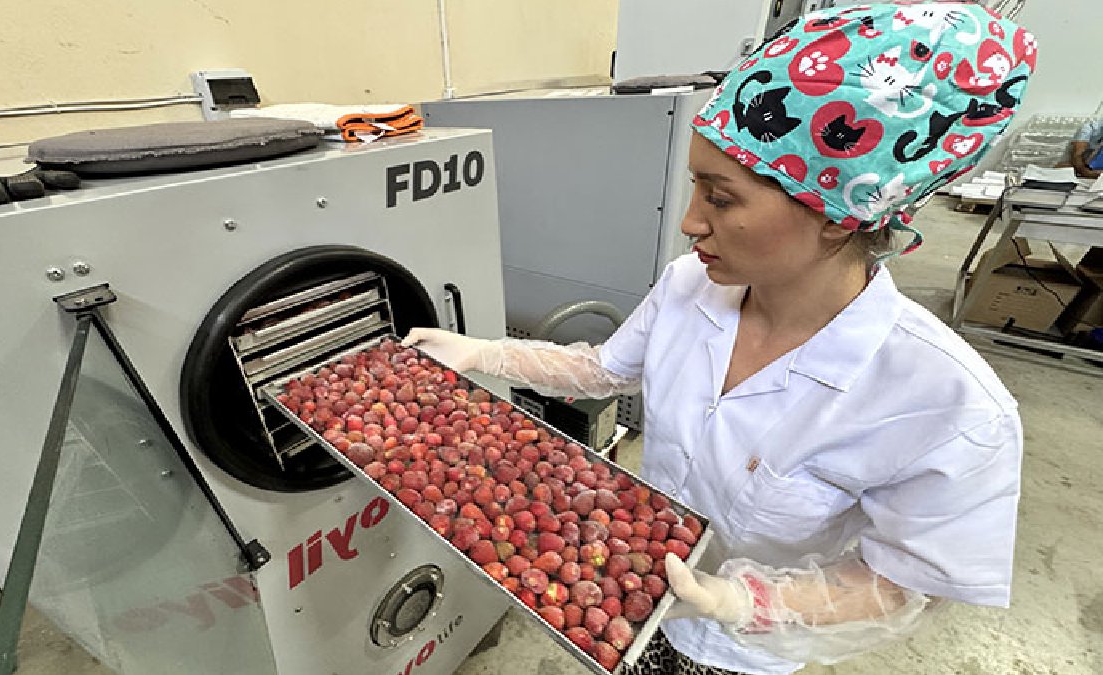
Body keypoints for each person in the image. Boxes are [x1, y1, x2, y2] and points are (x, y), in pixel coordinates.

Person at [404, 3, 1037, 674]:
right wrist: (483, 353)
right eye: (694, 188)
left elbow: (903, 583)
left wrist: (742, 601)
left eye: (721, 198)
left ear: (835, 213)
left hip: (745, 653)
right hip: (633, 595)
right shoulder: (688, 286)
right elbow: (603, 372)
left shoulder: (949, 405)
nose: (689, 220)